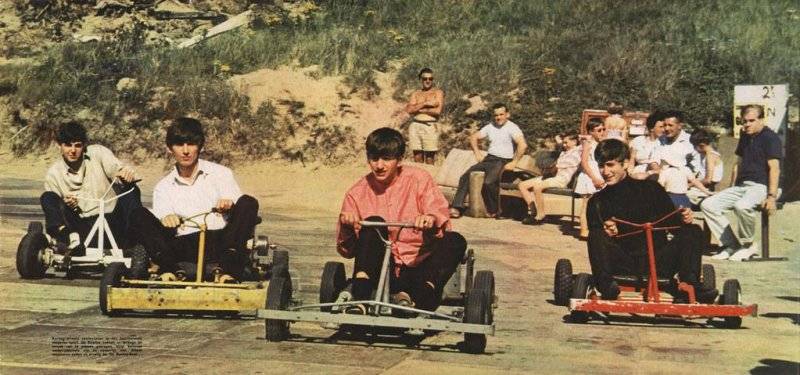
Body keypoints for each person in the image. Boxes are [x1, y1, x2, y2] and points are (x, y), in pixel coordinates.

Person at [336, 127, 467, 313]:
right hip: (381, 268)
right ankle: (361, 299)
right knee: (373, 222)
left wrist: (430, 218)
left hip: (419, 267)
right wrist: (347, 225)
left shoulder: (419, 179)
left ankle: (419, 298)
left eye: (386, 159)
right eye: (374, 159)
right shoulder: (357, 193)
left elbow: (439, 213)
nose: (379, 165)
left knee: (456, 240)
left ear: (399, 160)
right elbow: (346, 251)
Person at [586, 139, 718, 303]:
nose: (605, 171)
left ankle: (689, 284)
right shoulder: (597, 202)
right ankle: (606, 286)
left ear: (625, 163)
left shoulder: (651, 189)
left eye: (610, 165)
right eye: (601, 166)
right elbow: (597, 238)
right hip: (623, 262)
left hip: (658, 262)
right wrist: (608, 232)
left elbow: (675, 227)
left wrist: (684, 218)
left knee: (692, 231)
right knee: (596, 235)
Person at [129, 117, 260, 280]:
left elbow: (239, 208)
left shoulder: (221, 173)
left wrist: (229, 204)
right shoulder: (163, 187)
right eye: (179, 145)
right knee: (137, 214)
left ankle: (228, 272)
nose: (185, 151)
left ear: (201, 146)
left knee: (249, 202)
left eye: (191, 144)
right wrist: (167, 218)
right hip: (183, 244)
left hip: (220, 242)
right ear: (170, 149)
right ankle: (169, 270)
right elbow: (162, 219)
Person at [40, 121, 141, 256]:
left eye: (78, 145)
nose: (73, 150)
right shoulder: (54, 173)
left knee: (132, 189)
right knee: (48, 197)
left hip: (112, 221)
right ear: (60, 146)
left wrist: (124, 175)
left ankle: (136, 243)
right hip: (81, 228)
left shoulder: (98, 153)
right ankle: (67, 238)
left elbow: (116, 170)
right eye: (68, 145)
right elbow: (56, 208)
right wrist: (69, 205)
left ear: (84, 146)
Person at [702, 105, 782, 261]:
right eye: (744, 121)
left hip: (761, 186)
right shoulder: (745, 136)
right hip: (741, 186)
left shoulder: (770, 138)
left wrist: (771, 197)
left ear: (761, 120)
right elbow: (738, 164)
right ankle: (731, 245)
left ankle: (748, 245)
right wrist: (731, 188)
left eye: (752, 121)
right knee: (708, 205)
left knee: (742, 206)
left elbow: (775, 168)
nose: (747, 124)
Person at [449, 103, 527, 218]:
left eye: (501, 114)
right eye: (496, 115)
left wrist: (514, 162)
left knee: (489, 182)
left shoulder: (512, 128)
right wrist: (477, 153)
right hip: (489, 159)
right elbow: (473, 137)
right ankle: (457, 207)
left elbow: (523, 145)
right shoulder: (490, 126)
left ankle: (495, 210)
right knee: (465, 176)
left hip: (503, 160)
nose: (498, 117)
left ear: (507, 114)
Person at [517, 131, 581, 225]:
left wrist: (578, 136)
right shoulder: (565, 152)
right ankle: (534, 212)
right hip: (552, 176)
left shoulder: (578, 152)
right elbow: (554, 167)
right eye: (563, 142)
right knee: (522, 185)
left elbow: (558, 166)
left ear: (575, 141)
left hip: (562, 179)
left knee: (537, 187)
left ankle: (541, 215)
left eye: (566, 142)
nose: (564, 144)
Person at [404, 68, 444, 165]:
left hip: (430, 126)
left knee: (430, 157)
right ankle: (419, 179)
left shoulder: (437, 93)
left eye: (430, 79)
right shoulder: (416, 93)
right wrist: (425, 103)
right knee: (417, 156)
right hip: (415, 125)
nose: (428, 81)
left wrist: (418, 109)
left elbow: (437, 111)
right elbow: (409, 110)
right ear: (420, 80)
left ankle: (428, 179)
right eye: (425, 78)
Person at [574, 118, 607, 238]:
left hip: (599, 174)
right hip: (589, 175)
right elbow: (584, 162)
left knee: (599, 203)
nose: (602, 132)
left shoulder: (601, 144)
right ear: (591, 132)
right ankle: (584, 230)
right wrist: (594, 178)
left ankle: (597, 227)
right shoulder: (588, 144)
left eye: (603, 129)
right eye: (599, 130)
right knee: (586, 203)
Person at [687, 128, 723, 205]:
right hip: (701, 186)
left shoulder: (710, 156)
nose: (694, 148)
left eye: (694, 146)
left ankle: (707, 200)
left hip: (708, 188)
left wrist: (690, 184)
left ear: (701, 145)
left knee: (681, 194)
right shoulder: (704, 154)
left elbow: (708, 180)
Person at [628, 110, 665, 177]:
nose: (663, 130)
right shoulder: (638, 140)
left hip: (656, 173)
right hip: (637, 172)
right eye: (661, 127)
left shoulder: (663, 143)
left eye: (664, 127)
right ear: (652, 128)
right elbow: (631, 160)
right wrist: (630, 173)